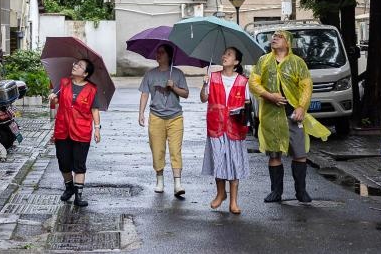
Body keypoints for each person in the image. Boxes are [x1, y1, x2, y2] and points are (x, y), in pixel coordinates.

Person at [249, 30, 331, 203]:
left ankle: (301, 191)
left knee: (299, 153)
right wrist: (269, 95)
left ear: (288, 42)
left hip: (293, 115)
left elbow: (306, 87)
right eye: (273, 36)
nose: (274, 38)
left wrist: (301, 107)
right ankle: (276, 192)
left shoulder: (297, 62)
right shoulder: (263, 61)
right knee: (274, 154)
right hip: (271, 116)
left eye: (279, 37)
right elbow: (253, 83)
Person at [200, 47, 251, 214]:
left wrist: (242, 114)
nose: (224, 56)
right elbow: (203, 98)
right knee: (218, 161)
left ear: (236, 62)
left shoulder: (243, 81)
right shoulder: (213, 77)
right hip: (216, 125)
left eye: (229, 54)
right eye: (224, 54)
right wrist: (204, 84)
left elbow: (247, 104)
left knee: (234, 163)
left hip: (235, 128)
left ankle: (234, 202)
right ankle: (220, 193)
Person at [138, 43, 189, 198]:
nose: (158, 55)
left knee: (175, 150)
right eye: (157, 52)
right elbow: (145, 94)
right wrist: (141, 113)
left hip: (175, 117)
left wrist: (173, 87)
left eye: (161, 52)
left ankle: (177, 184)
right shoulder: (150, 74)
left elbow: (186, 94)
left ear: (169, 56)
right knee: (157, 150)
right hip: (156, 117)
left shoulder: (177, 73)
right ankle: (159, 180)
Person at [50, 58, 102, 207]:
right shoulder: (64, 83)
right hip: (62, 129)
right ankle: (69, 188)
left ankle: (78, 196)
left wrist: (97, 128)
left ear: (85, 73)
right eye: (75, 64)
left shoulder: (92, 89)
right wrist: (53, 99)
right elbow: (55, 104)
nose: (75, 66)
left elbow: (94, 110)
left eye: (79, 66)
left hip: (81, 131)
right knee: (63, 162)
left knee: (79, 164)